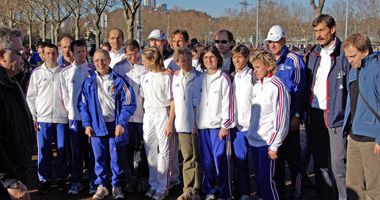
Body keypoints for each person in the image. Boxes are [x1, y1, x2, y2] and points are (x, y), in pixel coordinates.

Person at [78, 49, 136, 200]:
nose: (100, 63)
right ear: (93, 63)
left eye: (103, 59)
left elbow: (129, 103)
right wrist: (87, 124)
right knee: (98, 158)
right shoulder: (89, 82)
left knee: (116, 158)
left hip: (114, 126)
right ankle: (102, 185)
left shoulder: (119, 80)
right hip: (97, 126)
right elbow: (83, 105)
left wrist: (122, 123)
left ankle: (116, 186)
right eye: (97, 61)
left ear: (109, 60)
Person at [306, 14, 350, 200]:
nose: (318, 34)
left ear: (332, 29)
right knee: (320, 163)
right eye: (316, 31)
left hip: (336, 117)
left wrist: (349, 118)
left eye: (322, 30)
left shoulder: (344, 54)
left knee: (337, 164)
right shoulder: (313, 53)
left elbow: (350, 89)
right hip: (315, 114)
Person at [265, 25, 306, 200]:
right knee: (277, 161)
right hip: (274, 123)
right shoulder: (268, 61)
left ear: (284, 40)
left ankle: (297, 193)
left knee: (293, 159)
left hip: (289, 119)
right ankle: (280, 194)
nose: (273, 45)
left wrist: (297, 116)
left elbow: (300, 90)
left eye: (276, 41)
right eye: (270, 41)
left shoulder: (294, 59)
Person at [248, 50, 290, 200]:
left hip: (267, 143)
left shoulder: (277, 87)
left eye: (258, 67)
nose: (255, 70)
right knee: (258, 181)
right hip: (254, 140)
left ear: (268, 66)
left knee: (267, 182)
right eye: (254, 67)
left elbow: (281, 119)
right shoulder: (256, 86)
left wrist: (274, 145)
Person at [26, 43, 69, 194]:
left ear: (58, 55)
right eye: (48, 53)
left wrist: (69, 113)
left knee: (62, 150)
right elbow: (31, 97)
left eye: (54, 53)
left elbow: (68, 95)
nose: (51, 56)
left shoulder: (64, 72)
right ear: (42, 55)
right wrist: (33, 116)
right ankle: (44, 179)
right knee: (44, 150)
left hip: (61, 117)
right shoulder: (37, 73)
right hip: (43, 118)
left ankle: (62, 178)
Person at [342, 33, 380, 200]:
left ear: (365, 51)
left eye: (353, 56)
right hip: (354, 135)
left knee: (374, 188)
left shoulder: (377, 69)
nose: (350, 60)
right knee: (352, 186)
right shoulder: (353, 71)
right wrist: (348, 130)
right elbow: (352, 102)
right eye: (347, 57)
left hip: (372, 139)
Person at [197, 45, 235, 200]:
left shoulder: (223, 77)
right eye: (205, 57)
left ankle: (225, 193)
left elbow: (228, 102)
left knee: (221, 163)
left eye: (212, 57)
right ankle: (210, 191)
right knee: (207, 162)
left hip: (218, 128)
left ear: (218, 59)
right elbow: (195, 103)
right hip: (202, 128)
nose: (209, 60)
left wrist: (225, 125)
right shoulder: (199, 78)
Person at [0, 25, 33, 200]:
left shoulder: (12, 83)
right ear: (1, 55)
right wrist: (10, 181)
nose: (24, 56)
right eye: (18, 52)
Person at [113, 39, 149, 193]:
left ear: (139, 51)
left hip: (143, 115)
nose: (133, 58)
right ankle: (129, 178)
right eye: (129, 55)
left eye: (135, 54)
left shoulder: (147, 66)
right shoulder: (119, 68)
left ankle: (142, 178)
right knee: (127, 148)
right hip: (126, 117)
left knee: (142, 147)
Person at [60, 39, 96, 195]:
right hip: (75, 118)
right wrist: (71, 111)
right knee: (76, 152)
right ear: (72, 53)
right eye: (78, 51)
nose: (81, 54)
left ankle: (94, 181)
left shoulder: (93, 69)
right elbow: (64, 95)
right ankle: (76, 181)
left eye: (83, 51)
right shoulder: (65, 73)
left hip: (92, 118)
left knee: (92, 151)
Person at [169, 47, 202, 200]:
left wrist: (195, 124)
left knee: (197, 159)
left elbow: (198, 104)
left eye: (189, 60)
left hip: (194, 125)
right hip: (181, 125)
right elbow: (174, 102)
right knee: (187, 158)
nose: (186, 63)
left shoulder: (199, 77)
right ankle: (187, 190)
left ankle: (197, 190)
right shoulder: (175, 78)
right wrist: (171, 123)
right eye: (182, 60)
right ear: (177, 62)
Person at [140, 47, 173, 200]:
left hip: (162, 113)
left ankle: (163, 186)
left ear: (152, 60)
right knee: (150, 150)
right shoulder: (144, 76)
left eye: (144, 60)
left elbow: (172, 100)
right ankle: (153, 184)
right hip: (149, 114)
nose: (142, 62)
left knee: (164, 151)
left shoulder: (167, 77)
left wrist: (169, 122)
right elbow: (142, 98)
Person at [231, 44, 252, 200]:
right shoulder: (231, 76)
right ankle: (243, 192)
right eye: (234, 57)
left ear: (246, 58)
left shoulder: (254, 76)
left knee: (257, 164)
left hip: (253, 128)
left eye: (240, 57)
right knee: (240, 163)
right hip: (237, 128)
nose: (237, 60)